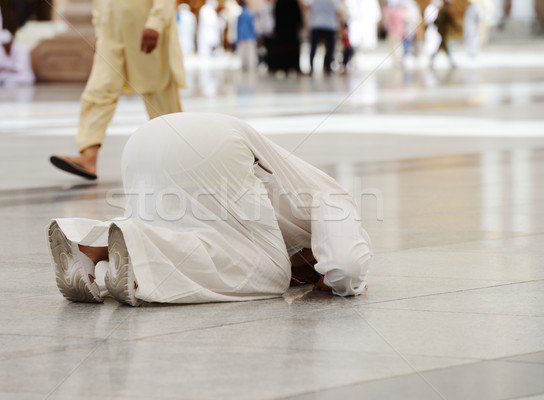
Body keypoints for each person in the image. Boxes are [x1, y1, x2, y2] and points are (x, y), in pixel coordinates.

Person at [48, 112, 373, 306]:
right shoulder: (336, 199)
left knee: (179, 227)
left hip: (144, 139)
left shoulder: (290, 209)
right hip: (213, 145)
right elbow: (347, 266)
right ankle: (138, 251)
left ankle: (90, 247)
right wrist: (330, 282)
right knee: (271, 273)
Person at [49, 0, 186, 181]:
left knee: (159, 94)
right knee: (98, 91)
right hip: (111, 38)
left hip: (145, 34)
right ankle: (88, 157)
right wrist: (101, 29)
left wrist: (156, 24)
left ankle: (178, 158)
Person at [266, 0, 302, 75]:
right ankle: (291, 67)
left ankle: (282, 66)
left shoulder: (280, 2)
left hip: (282, 30)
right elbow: (298, 16)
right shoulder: (293, 2)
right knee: (290, 48)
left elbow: (275, 15)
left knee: (284, 48)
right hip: (290, 30)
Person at [306, 0, 340, 75]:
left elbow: (308, 8)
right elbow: (337, 13)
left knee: (314, 47)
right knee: (330, 48)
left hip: (318, 24)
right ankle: (327, 68)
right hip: (328, 25)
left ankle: (313, 68)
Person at [431, 0, 460, 68]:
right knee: (444, 48)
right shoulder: (444, 11)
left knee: (441, 47)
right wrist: (457, 28)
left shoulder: (442, 11)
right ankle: (452, 63)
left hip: (442, 32)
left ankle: (432, 61)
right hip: (442, 32)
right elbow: (451, 22)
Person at [236, 1, 257, 71]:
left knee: (243, 53)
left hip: (242, 36)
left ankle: (244, 66)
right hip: (250, 36)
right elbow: (253, 26)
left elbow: (238, 27)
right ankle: (251, 66)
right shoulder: (250, 15)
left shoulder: (240, 15)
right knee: (250, 53)